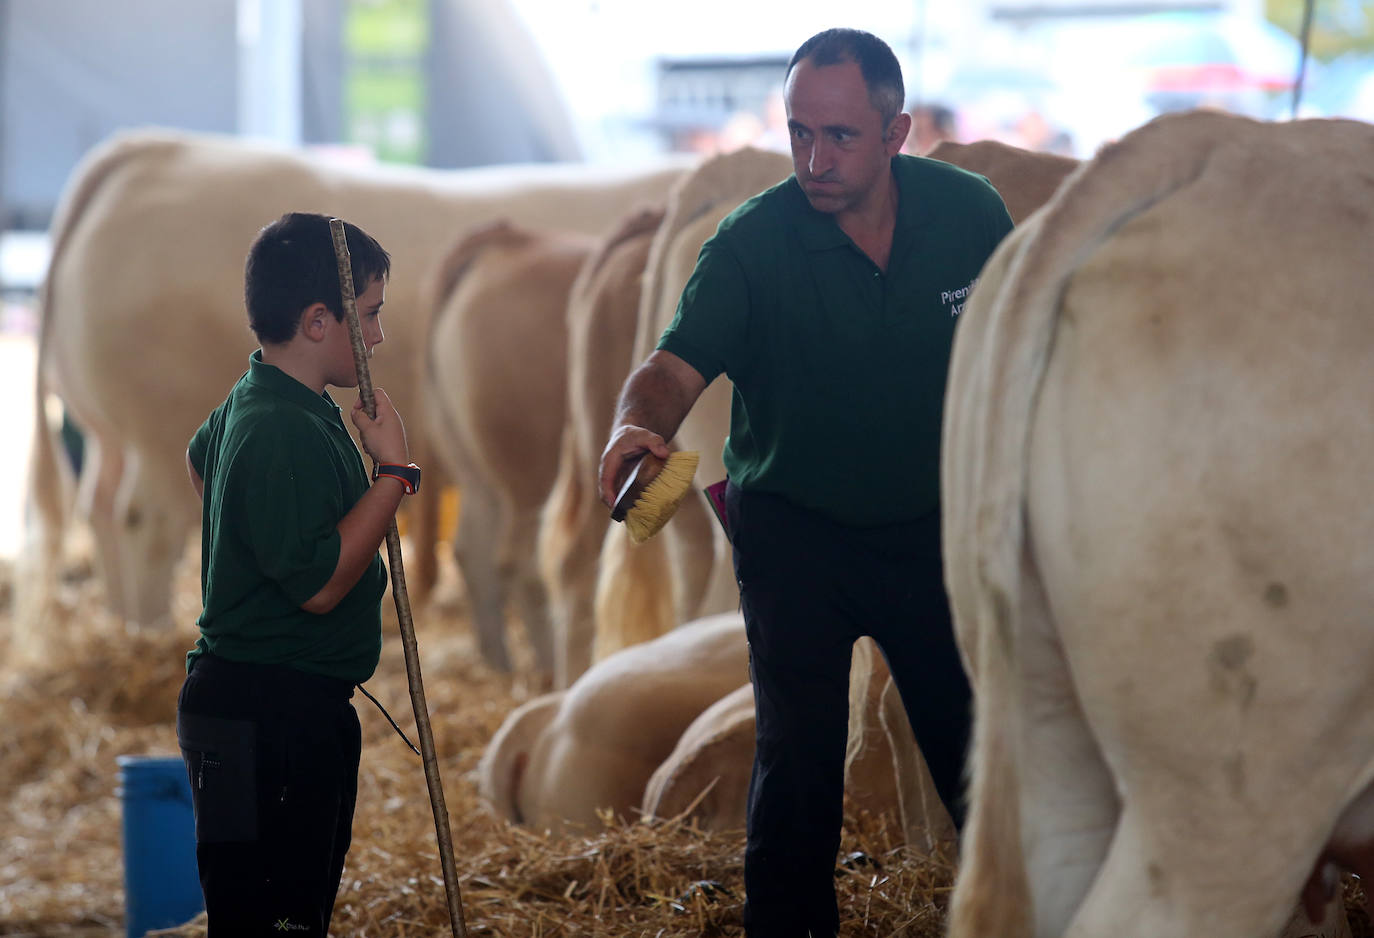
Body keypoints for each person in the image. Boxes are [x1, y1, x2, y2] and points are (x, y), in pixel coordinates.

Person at [598, 28, 1014, 938]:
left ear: (897, 131)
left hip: (930, 529)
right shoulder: (751, 243)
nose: (815, 160)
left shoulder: (972, 215)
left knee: (973, 751)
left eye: (841, 136)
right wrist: (639, 423)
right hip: (796, 535)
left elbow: (1017, 357)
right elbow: (674, 365)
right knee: (798, 762)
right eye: (799, 134)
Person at [176, 211, 418, 937]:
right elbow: (319, 587)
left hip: (255, 704)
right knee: (277, 920)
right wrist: (396, 472)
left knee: (268, 911)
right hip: (272, 716)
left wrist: (252, 540)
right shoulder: (280, 428)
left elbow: (199, 463)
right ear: (319, 321)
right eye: (369, 315)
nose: (377, 337)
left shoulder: (266, 399)